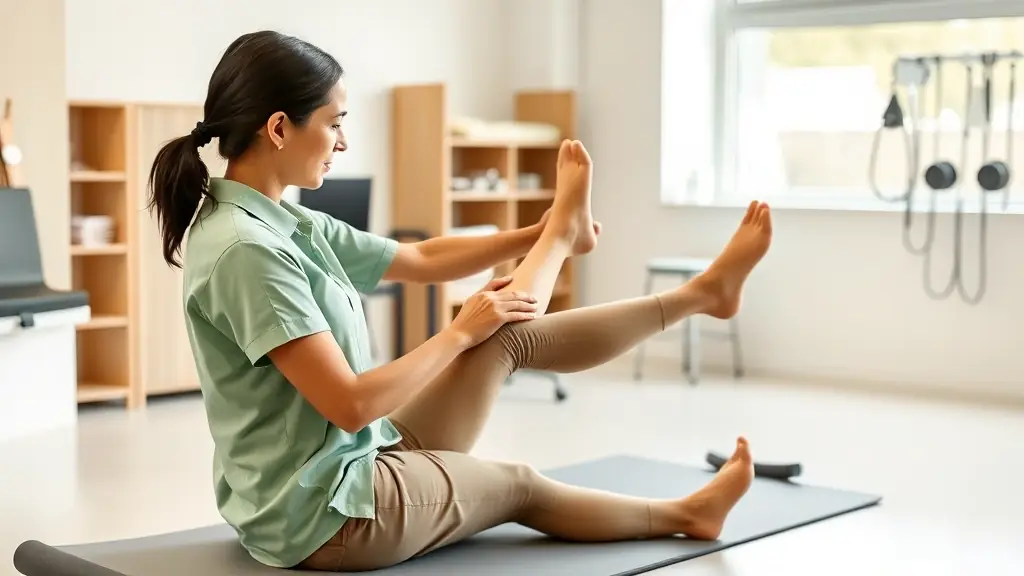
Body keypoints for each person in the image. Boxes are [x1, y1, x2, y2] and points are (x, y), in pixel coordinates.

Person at [147, 30, 773, 573]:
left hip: (354, 464)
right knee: (519, 483)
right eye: (335, 123)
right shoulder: (246, 250)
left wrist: (532, 232)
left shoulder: (282, 220)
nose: (342, 142)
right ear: (280, 128)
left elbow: (418, 259)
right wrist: (456, 333)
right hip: (326, 516)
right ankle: (691, 513)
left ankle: (691, 289)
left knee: (507, 331)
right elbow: (350, 403)